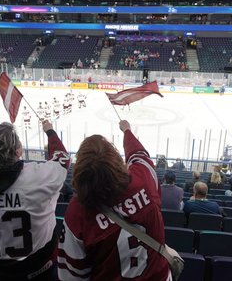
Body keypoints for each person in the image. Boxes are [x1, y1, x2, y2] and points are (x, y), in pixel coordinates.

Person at [0, 120, 70, 280]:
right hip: (39, 269)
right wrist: (50, 131)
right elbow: (63, 159)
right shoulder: (39, 176)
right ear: (18, 152)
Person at [58, 120, 170, 280]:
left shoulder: (77, 212)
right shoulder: (142, 179)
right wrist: (127, 132)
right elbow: (139, 155)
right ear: (117, 160)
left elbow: (72, 274)